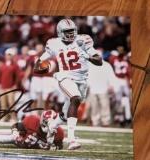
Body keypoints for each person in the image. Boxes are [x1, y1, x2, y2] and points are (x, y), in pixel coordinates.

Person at [34, 19, 102, 150]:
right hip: (65, 77)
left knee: (66, 114)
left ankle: (52, 126)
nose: (71, 34)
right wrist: (38, 65)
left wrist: (88, 56)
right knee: (75, 98)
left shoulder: (83, 40)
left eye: (72, 31)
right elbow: (40, 60)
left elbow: (99, 61)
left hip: (82, 79)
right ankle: (71, 139)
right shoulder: (53, 43)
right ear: (60, 32)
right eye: (67, 32)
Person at [0, 102, 64, 150]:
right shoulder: (32, 120)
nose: (47, 126)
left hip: (26, 144)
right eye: (45, 122)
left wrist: (51, 147)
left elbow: (60, 146)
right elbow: (15, 126)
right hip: (16, 139)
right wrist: (16, 135)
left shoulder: (59, 133)